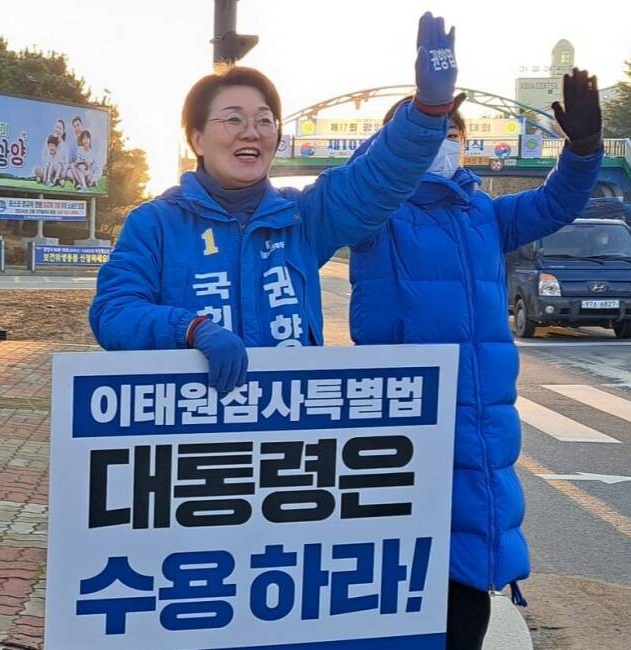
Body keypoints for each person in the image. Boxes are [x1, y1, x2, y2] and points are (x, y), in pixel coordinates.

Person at [347, 68, 604, 650]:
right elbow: (351, 183)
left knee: (467, 579)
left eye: (453, 129)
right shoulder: (373, 215)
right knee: (398, 578)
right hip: (400, 426)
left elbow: (556, 201)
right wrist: (418, 117)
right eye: (432, 130)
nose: (448, 139)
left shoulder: (483, 213)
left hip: (480, 428)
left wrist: (582, 151)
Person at [89, 12, 460, 397]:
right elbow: (113, 313)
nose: (252, 131)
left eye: (265, 121)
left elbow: (376, 177)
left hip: (286, 434)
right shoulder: (155, 225)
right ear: (196, 140)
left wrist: (429, 110)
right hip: (191, 437)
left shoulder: (305, 217)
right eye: (233, 119)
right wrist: (189, 328)